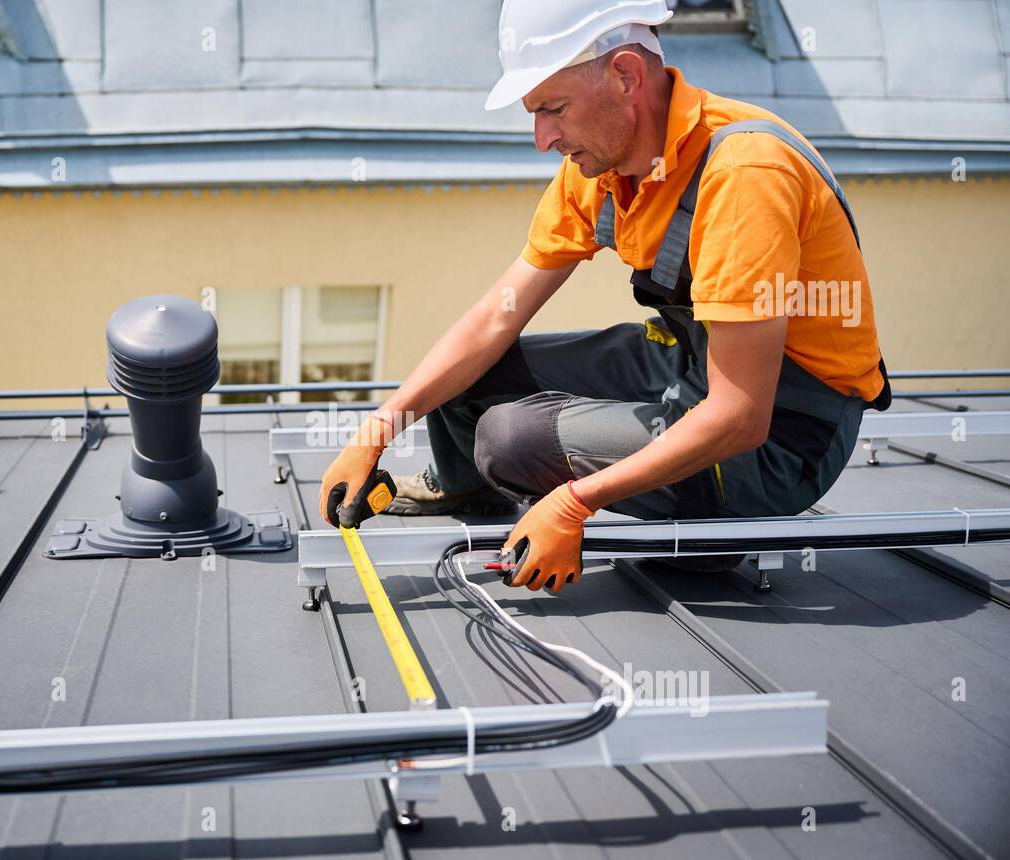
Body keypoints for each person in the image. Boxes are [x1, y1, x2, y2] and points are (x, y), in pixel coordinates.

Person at [318, 0, 890, 594]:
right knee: (467, 378)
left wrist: (574, 504)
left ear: (625, 76)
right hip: (692, 364)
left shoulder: (745, 175)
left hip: (782, 434)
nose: (543, 139)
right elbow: (495, 319)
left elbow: (741, 417)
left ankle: (711, 529)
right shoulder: (602, 167)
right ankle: (465, 486)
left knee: (509, 439)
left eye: (553, 109)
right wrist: (377, 432)